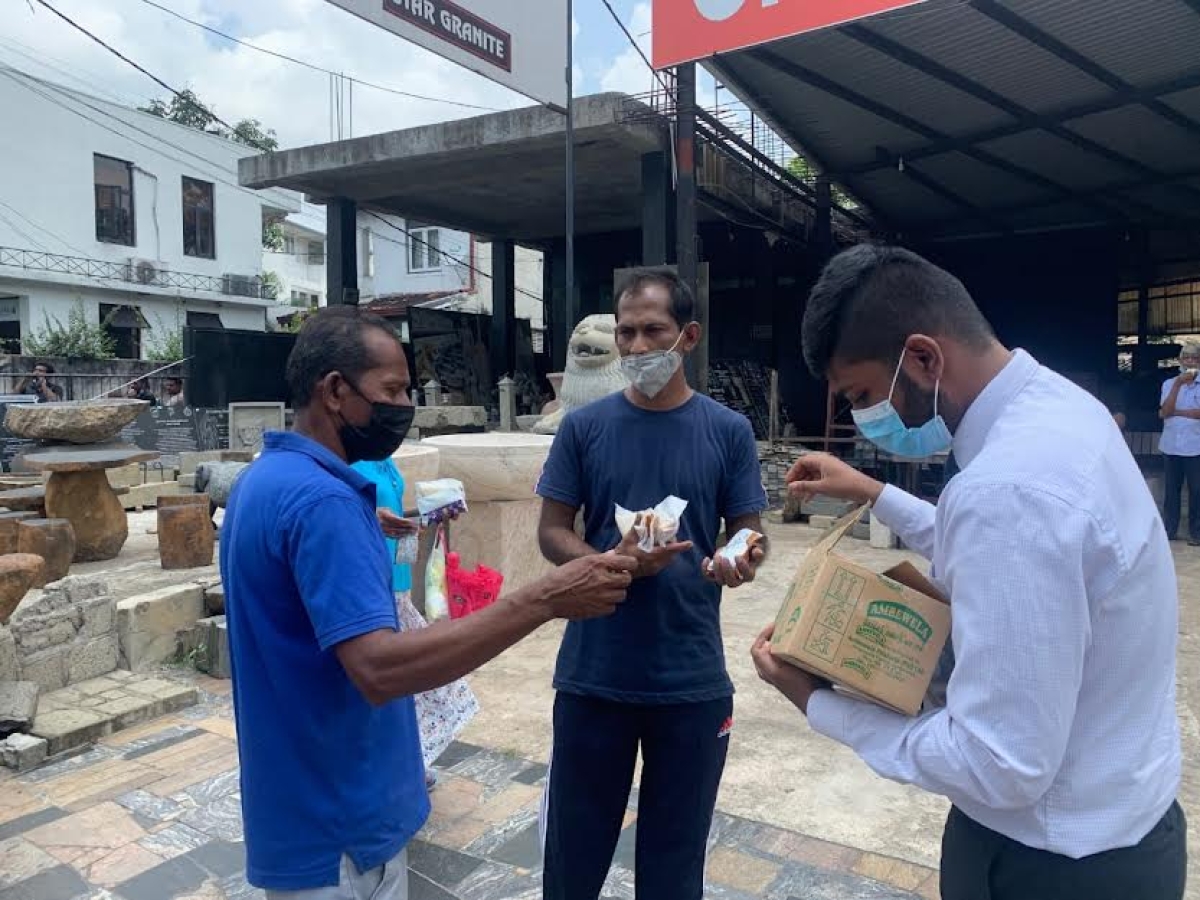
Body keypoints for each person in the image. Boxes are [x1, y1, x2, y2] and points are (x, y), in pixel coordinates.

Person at [750, 245, 1184, 900]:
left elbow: (1001, 765)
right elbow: (1005, 546)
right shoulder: (1060, 410)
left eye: (866, 396)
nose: (867, 419)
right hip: (1123, 832)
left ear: (924, 358)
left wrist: (820, 704)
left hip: (1047, 867)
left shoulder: (1009, 489)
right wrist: (874, 491)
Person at [220, 306, 636, 898]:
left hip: (293, 804)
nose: (403, 406)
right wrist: (545, 597)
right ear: (336, 391)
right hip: (344, 828)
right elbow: (381, 668)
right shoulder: (322, 505)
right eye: (390, 390)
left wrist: (366, 524)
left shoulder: (265, 481)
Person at [535, 267, 768, 900]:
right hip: (593, 676)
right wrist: (608, 564)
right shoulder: (583, 428)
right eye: (627, 332)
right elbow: (552, 530)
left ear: (687, 336)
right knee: (573, 858)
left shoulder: (728, 431)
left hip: (690, 682)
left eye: (653, 332)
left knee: (674, 863)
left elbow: (749, 530)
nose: (637, 348)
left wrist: (737, 558)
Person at [350, 455, 479, 791]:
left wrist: (426, 516)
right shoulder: (348, 463)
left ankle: (407, 761)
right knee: (409, 678)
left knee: (418, 682)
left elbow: (384, 515)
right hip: (376, 585)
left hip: (399, 579)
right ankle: (400, 765)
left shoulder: (385, 462)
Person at [1159, 342, 1200, 545]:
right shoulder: (1168, 384)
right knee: (1171, 491)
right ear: (1180, 361)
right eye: (1187, 358)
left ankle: (1197, 533)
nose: (1190, 361)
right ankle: (1170, 531)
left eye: (1195, 358)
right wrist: (1178, 385)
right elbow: (1165, 411)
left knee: (1197, 490)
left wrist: (1176, 412)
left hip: (1196, 446)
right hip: (1171, 445)